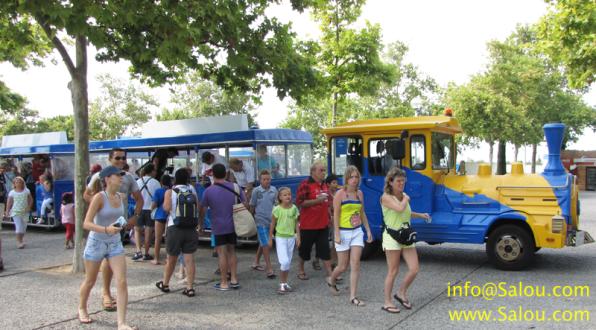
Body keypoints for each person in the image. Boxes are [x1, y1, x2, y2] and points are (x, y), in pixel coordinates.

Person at [84, 148, 142, 312]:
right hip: (101, 227)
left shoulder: (128, 178)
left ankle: (110, 295)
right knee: (100, 265)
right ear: (110, 159)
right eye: (117, 158)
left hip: (119, 226)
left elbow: (139, 199)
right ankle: (106, 293)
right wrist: (99, 204)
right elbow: (86, 195)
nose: (121, 160)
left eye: (123, 158)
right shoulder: (99, 176)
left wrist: (134, 217)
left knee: (112, 260)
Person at [78, 165, 136, 329]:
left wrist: (123, 225)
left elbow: (118, 218)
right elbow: (86, 223)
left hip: (115, 242)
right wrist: (106, 229)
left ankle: (122, 323)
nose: (121, 178)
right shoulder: (99, 197)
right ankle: (82, 308)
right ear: (108, 178)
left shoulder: (120, 196)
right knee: (90, 280)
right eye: (118, 176)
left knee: (122, 281)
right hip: (96, 242)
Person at [380, 167, 430, 314]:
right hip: (392, 237)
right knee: (393, 271)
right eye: (398, 181)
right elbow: (399, 208)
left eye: (403, 181)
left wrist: (421, 215)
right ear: (390, 181)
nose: (401, 183)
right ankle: (387, 302)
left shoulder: (403, 196)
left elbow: (406, 212)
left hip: (405, 235)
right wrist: (406, 199)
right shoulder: (386, 197)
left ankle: (401, 292)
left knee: (414, 268)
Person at [327, 166, 373, 306]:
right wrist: (336, 234)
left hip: (357, 232)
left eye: (356, 177)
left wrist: (368, 230)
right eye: (352, 177)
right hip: (343, 231)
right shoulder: (340, 194)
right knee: (342, 266)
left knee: (355, 264)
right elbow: (336, 216)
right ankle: (331, 279)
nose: (354, 180)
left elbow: (362, 212)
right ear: (346, 178)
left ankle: (353, 296)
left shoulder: (360, 194)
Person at [155, 168, 199, 298]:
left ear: (175, 179)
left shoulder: (170, 192)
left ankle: (166, 284)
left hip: (174, 227)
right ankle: (190, 288)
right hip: (191, 228)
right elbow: (198, 207)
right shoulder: (192, 192)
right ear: (187, 180)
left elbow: (166, 208)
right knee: (189, 259)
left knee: (171, 258)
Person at [200, 163, 245, 291]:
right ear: (225, 174)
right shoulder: (235, 187)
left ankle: (224, 282)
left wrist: (201, 224)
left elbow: (202, 209)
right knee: (232, 251)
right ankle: (234, 279)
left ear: (213, 175)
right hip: (233, 225)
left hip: (218, 226)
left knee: (221, 253)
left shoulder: (208, 191)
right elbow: (245, 203)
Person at [295, 161, 333, 280]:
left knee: (325, 249)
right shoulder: (305, 184)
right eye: (321, 170)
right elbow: (300, 202)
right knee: (305, 250)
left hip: (323, 224)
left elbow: (328, 202)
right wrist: (317, 201)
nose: (323, 172)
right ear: (313, 172)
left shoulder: (324, 185)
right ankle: (301, 269)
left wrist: (330, 215)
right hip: (308, 225)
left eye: (324, 170)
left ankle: (330, 274)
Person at [269, 187, 300, 293]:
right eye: (285, 195)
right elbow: (272, 224)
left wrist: (298, 237)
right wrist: (270, 238)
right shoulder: (277, 209)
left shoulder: (294, 208)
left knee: (288, 262)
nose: (288, 196)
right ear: (280, 197)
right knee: (284, 261)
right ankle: (281, 284)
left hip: (291, 237)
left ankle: (285, 282)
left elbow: (297, 224)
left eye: (289, 194)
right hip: (280, 237)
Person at [249, 170, 278, 278]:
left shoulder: (274, 190)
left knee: (262, 242)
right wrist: (251, 219)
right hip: (260, 220)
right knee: (266, 244)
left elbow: (277, 204)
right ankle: (269, 268)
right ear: (260, 180)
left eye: (268, 179)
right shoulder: (256, 191)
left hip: (271, 221)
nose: (266, 181)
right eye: (264, 179)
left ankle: (256, 262)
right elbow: (252, 205)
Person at [133, 164, 160, 262]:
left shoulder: (138, 181)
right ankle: (146, 253)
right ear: (152, 171)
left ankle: (138, 251)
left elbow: (133, 196)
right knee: (148, 231)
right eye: (155, 171)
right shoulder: (156, 182)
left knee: (137, 230)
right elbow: (158, 197)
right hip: (150, 209)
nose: (156, 172)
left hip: (139, 208)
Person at [5, 177, 33, 249]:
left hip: (25, 212)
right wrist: (7, 211)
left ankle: (21, 239)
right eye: (16, 182)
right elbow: (9, 202)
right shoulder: (12, 192)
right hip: (15, 212)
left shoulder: (26, 191)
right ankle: (19, 242)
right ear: (14, 184)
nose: (18, 183)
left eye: (20, 182)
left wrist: (29, 207)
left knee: (24, 227)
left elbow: (30, 199)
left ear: (23, 183)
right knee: (19, 226)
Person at [151, 174, 171, 265]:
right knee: (168, 238)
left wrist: (150, 210)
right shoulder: (172, 191)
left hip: (159, 215)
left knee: (158, 238)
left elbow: (154, 204)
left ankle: (156, 258)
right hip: (170, 216)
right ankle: (168, 258)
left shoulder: (158, 191)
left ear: (161, 182)